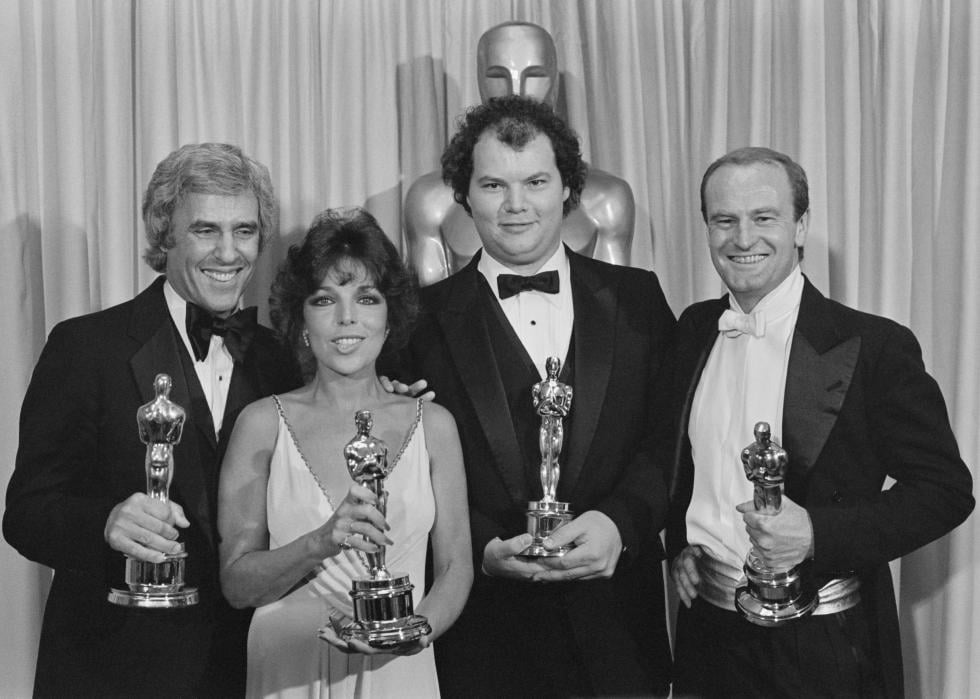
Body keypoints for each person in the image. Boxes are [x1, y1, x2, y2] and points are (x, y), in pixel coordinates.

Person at [665, 146, 975, 698]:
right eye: (724, 220)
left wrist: (816, 534)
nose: (742, 238)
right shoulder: (692, 331)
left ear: (801, 225)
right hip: (706, 643)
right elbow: (674, 463)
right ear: (707, 229)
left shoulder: (875, 346)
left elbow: (946, 491)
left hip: (828, 649)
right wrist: (681, 547)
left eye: (764, 218)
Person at [395, 95, 675, 697]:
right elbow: (405, 468)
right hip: (482, 639)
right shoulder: (417, 321)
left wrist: (621, 526)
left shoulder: (640, 300)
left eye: (536, 182)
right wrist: (479, 546)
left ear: (568, 189)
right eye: (493, 184)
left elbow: (673, 442)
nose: (516, 204)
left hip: (620, 633)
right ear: (464, 196)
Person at [3, 142, 301, 697]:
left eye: (244, 231)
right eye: (205, 230)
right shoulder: (85, 348)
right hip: (112, 670)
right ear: (164, 236)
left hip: (250, 669)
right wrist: (106, 523)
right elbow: (26, 512)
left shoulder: (281, 359)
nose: (228, 252)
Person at [217, 208, 472, 698]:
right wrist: (320, 542)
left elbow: (455, 567)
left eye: (367, 297)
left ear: (389, 317)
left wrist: (413, 634)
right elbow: (237, 584)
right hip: (287, 673)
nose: (347, 317)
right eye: (324, 299)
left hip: (400, 675)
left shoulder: (434, 425)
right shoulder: (261, 424)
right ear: (300, 319)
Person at [404, 20, 635, 285]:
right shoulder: (429, 202)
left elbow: (615, 309)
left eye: (534, 75)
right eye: (497, 76)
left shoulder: (607, 200)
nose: (517, 91)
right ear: (480, 78)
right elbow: (428, 311)